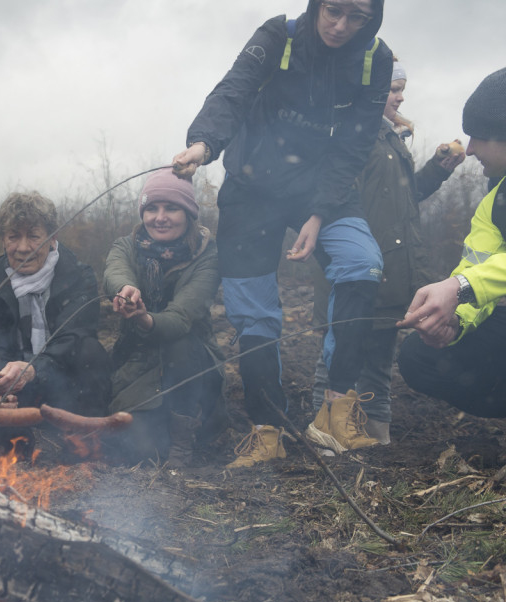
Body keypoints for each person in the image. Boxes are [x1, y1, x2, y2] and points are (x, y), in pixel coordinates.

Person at [171, 0, 393, 465]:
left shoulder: (376, 59)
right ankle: (266, 429)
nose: (340, 26)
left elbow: (356, 143)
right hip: (252, 183)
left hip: (324, 186)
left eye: (357, 17)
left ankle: (334, 414)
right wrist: (204, 142)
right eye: (333, 10)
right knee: (253, 308)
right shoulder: (279, 36)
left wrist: (318, 214)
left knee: (362, 261)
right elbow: (234, 89)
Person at [311, 60, 465, 445]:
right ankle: (323, 431)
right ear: (371, 91)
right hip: (358, 269)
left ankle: (376, 435)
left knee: (379, 357)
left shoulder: (391, 139)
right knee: (338, 350)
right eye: (393, 89)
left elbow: (404, 197)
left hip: (394, 269)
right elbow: (331, 205)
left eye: (401, 89)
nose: (400, 96)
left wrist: (438, 169)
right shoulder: (349, 140)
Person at [396, 68, 506, 419]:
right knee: (421, 357)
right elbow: (475, 268)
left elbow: (468, 281)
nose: (470, 149)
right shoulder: (494, 200)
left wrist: (460, 286)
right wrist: (454, 320)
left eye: (479, 138)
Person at [104, 171, 225, 466]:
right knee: (133, 447)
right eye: (151, 209)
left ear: (188, 213)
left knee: (180, 343)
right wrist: (125, 289)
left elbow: (181, 318)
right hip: (140, 360)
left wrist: (145, 319)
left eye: (171, 208)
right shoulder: (127, 245)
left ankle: (184, 440)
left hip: (192, 364)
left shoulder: (208, 256)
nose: (160, 217)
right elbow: (114, 271)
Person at [0, 192, 110, 422]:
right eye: (13, 237)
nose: (23, 248)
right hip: (19, 388)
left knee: (90, 350)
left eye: (34, 236)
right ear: (3, 239)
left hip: (66, 383)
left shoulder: (78, 276)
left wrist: (32, 370)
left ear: (52, 237)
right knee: (7, 441)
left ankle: (86, 433)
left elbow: (73, 338)